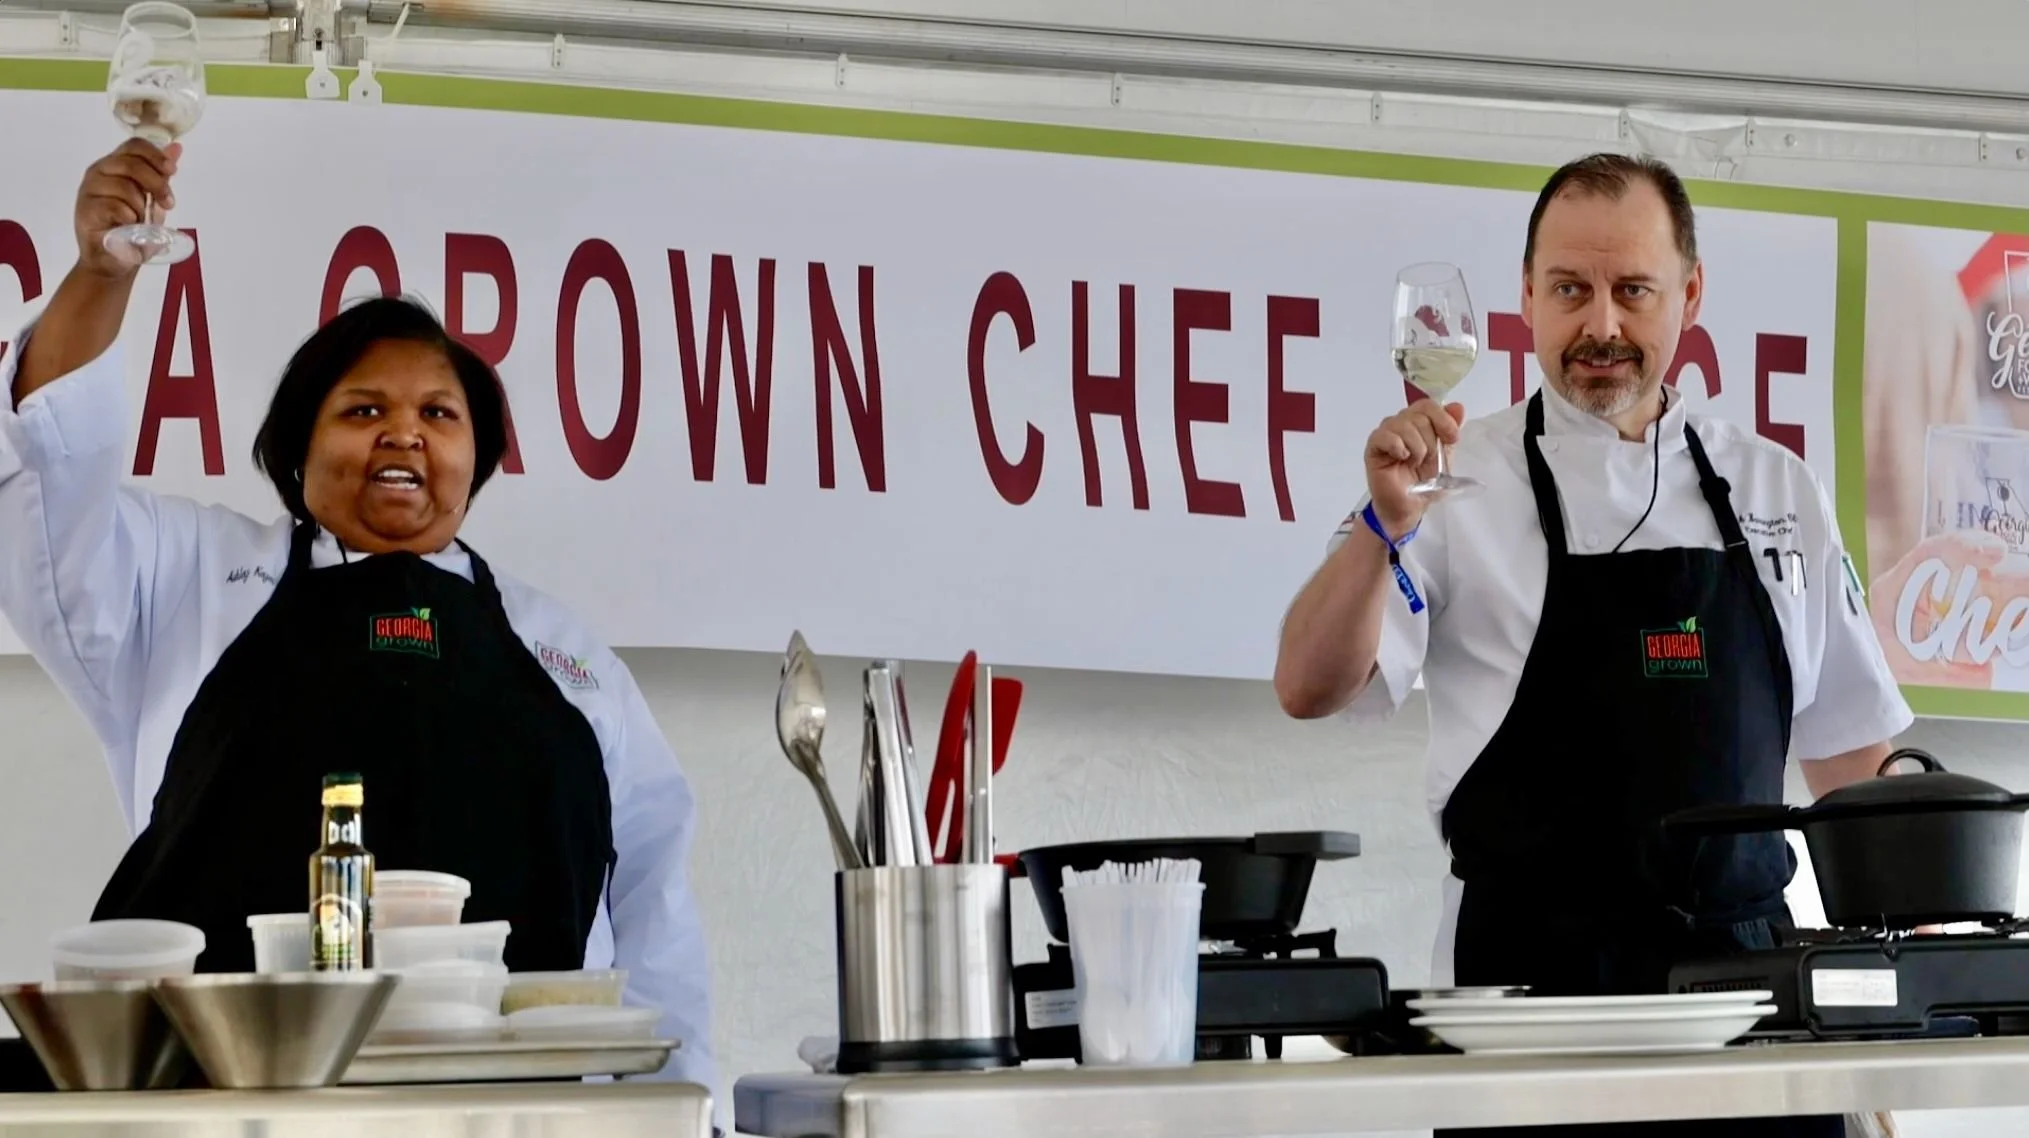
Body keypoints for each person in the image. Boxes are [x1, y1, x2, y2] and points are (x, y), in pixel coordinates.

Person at [0, 141, 716, 1097]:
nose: (404, 433)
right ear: (300, 451)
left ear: (480, 459)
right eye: (364, 408)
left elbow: (653, 903)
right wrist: (98, 276)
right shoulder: (186, 578)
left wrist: (680, 1105)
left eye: (440, 414)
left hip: (515, 1116)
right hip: (228, 1106)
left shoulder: (563, 653)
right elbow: (45, 486)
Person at [1272, 152, 1913, 1138]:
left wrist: (1892, 1008)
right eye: (1570, 290)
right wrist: (1380, 527)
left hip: (1748, 1021)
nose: (1601, 325)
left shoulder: (1776, 488)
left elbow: (1851, 763)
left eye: (1633, 291)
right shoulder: (1448, 484)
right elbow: (1307, 686)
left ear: (1688, 295)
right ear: (1524, 295)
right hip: (1533, 1027)